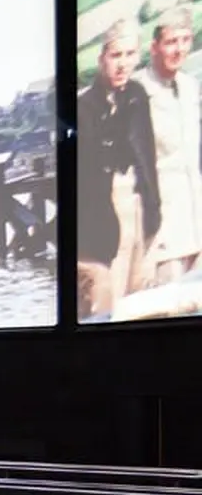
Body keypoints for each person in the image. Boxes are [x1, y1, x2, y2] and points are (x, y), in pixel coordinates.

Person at [77, 19, 160, 316]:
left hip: (138, 202)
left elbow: (147, 154)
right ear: (101, 59)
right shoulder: (84, 108)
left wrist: (153, 210)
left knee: (141, 296)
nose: (123, 64)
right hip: (105, 211)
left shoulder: (137, 96)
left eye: (129, 55)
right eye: (115, 56)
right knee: (108, 302)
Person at [133, 4, 202, 284]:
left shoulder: (190, 86)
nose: (179, 49)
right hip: (162, 231)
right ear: (154, 47)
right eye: (171, 42)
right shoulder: (138, 91)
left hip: (196, 221)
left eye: (185, 40)